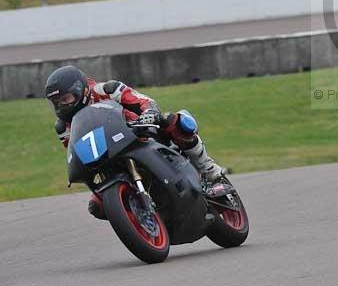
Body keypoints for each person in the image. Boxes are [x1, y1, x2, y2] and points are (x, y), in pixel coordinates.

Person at [45, 65, 224, 220]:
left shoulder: (106, 89)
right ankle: (139, 217)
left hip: (139, 131)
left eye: (65, 99)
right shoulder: (63, 127)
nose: (61, 106)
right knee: (97, 207)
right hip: (108, 154)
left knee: (175, 121)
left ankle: (209, 171)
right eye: (57, 102)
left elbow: (142, 100)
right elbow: (76, 149)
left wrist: (149, 111)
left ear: (80, 90)